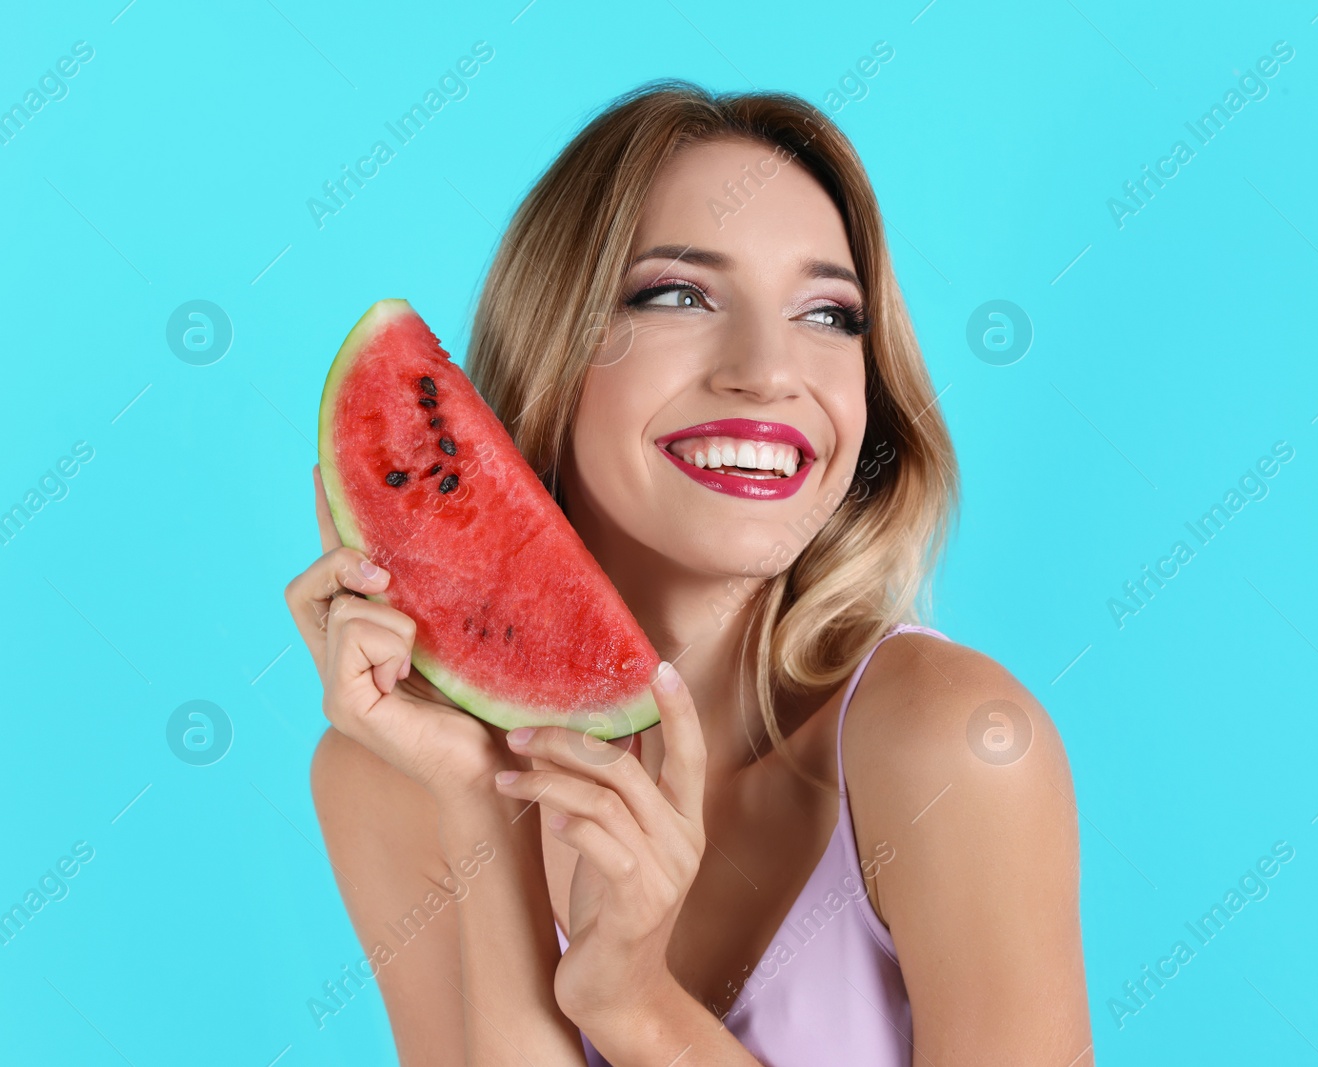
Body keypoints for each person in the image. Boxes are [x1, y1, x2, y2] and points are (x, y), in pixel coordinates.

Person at [285, 80, 1092, 1065]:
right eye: (677, 294)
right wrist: (477, 802)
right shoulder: (392, 776)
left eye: (830, 314)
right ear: (556, 342)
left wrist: (635, 1009)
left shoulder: (950, 747)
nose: (766, 368)